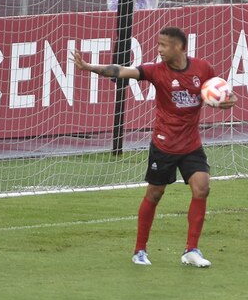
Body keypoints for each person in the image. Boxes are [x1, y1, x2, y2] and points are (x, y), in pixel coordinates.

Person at [72, 26, 237, 267]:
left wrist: (229, 100)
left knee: (201, 188)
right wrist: (89, 68)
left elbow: (222, 93)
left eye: (164, 45)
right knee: (155, 193)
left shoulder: (203, 68)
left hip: (191, 145)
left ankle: (191, 250)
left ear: (179, 47)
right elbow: (122, 71)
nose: (159, 49)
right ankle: (139, 250)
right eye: (158, 44)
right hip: (164, 145)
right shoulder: (156, 71)